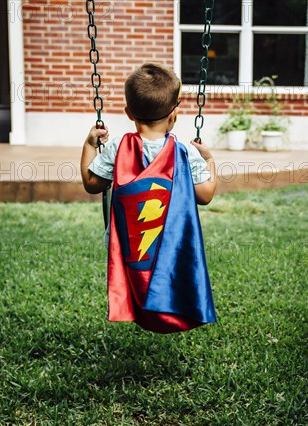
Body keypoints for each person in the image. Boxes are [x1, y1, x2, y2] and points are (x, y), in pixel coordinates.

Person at [80, 62, 217, 333]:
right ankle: (170, 311)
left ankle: (137, 309)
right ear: (173, 115)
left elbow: (92, 183)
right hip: (169, 242)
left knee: (136, 276)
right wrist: (210, 159)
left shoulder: (118, 147)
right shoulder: (184, 153)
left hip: (132, 246)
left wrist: (89, 145)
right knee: (168, 275)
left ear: (129, 113)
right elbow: (205, 195)